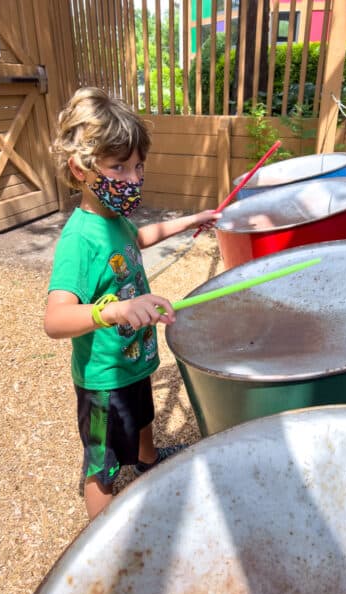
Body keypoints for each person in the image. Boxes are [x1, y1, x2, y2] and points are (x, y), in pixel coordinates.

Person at [44, 87, 220, 520]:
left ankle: (148, 461)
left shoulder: (113, 218)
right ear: (80, 169)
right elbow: (55, 318)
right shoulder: (79, 241)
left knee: (144, 416)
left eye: (138, 166)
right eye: (118, 166)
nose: (133, 178)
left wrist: (190, 221)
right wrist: (114, 310)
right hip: (103, 380)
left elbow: (139, 239)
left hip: (136, 360)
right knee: (101, 465)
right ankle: (102, 537)